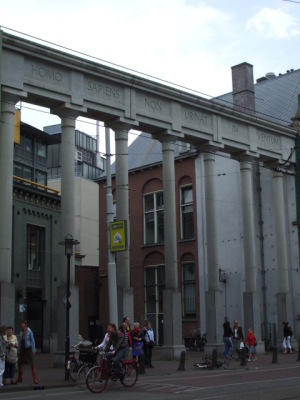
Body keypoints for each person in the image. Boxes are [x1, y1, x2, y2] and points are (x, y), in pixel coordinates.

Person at [13, 320, 38, 384]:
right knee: (20, 363)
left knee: (32, 364)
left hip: (28, 349)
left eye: (23, 324)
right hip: (22, 349)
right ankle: (20, 377)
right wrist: (18, 349)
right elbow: (20, 341)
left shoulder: (29, 331)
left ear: (26, 325)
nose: (22, 325)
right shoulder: (21, 332)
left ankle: (35, 379)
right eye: (21, 324)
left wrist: (33, 350)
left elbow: (32, 341)